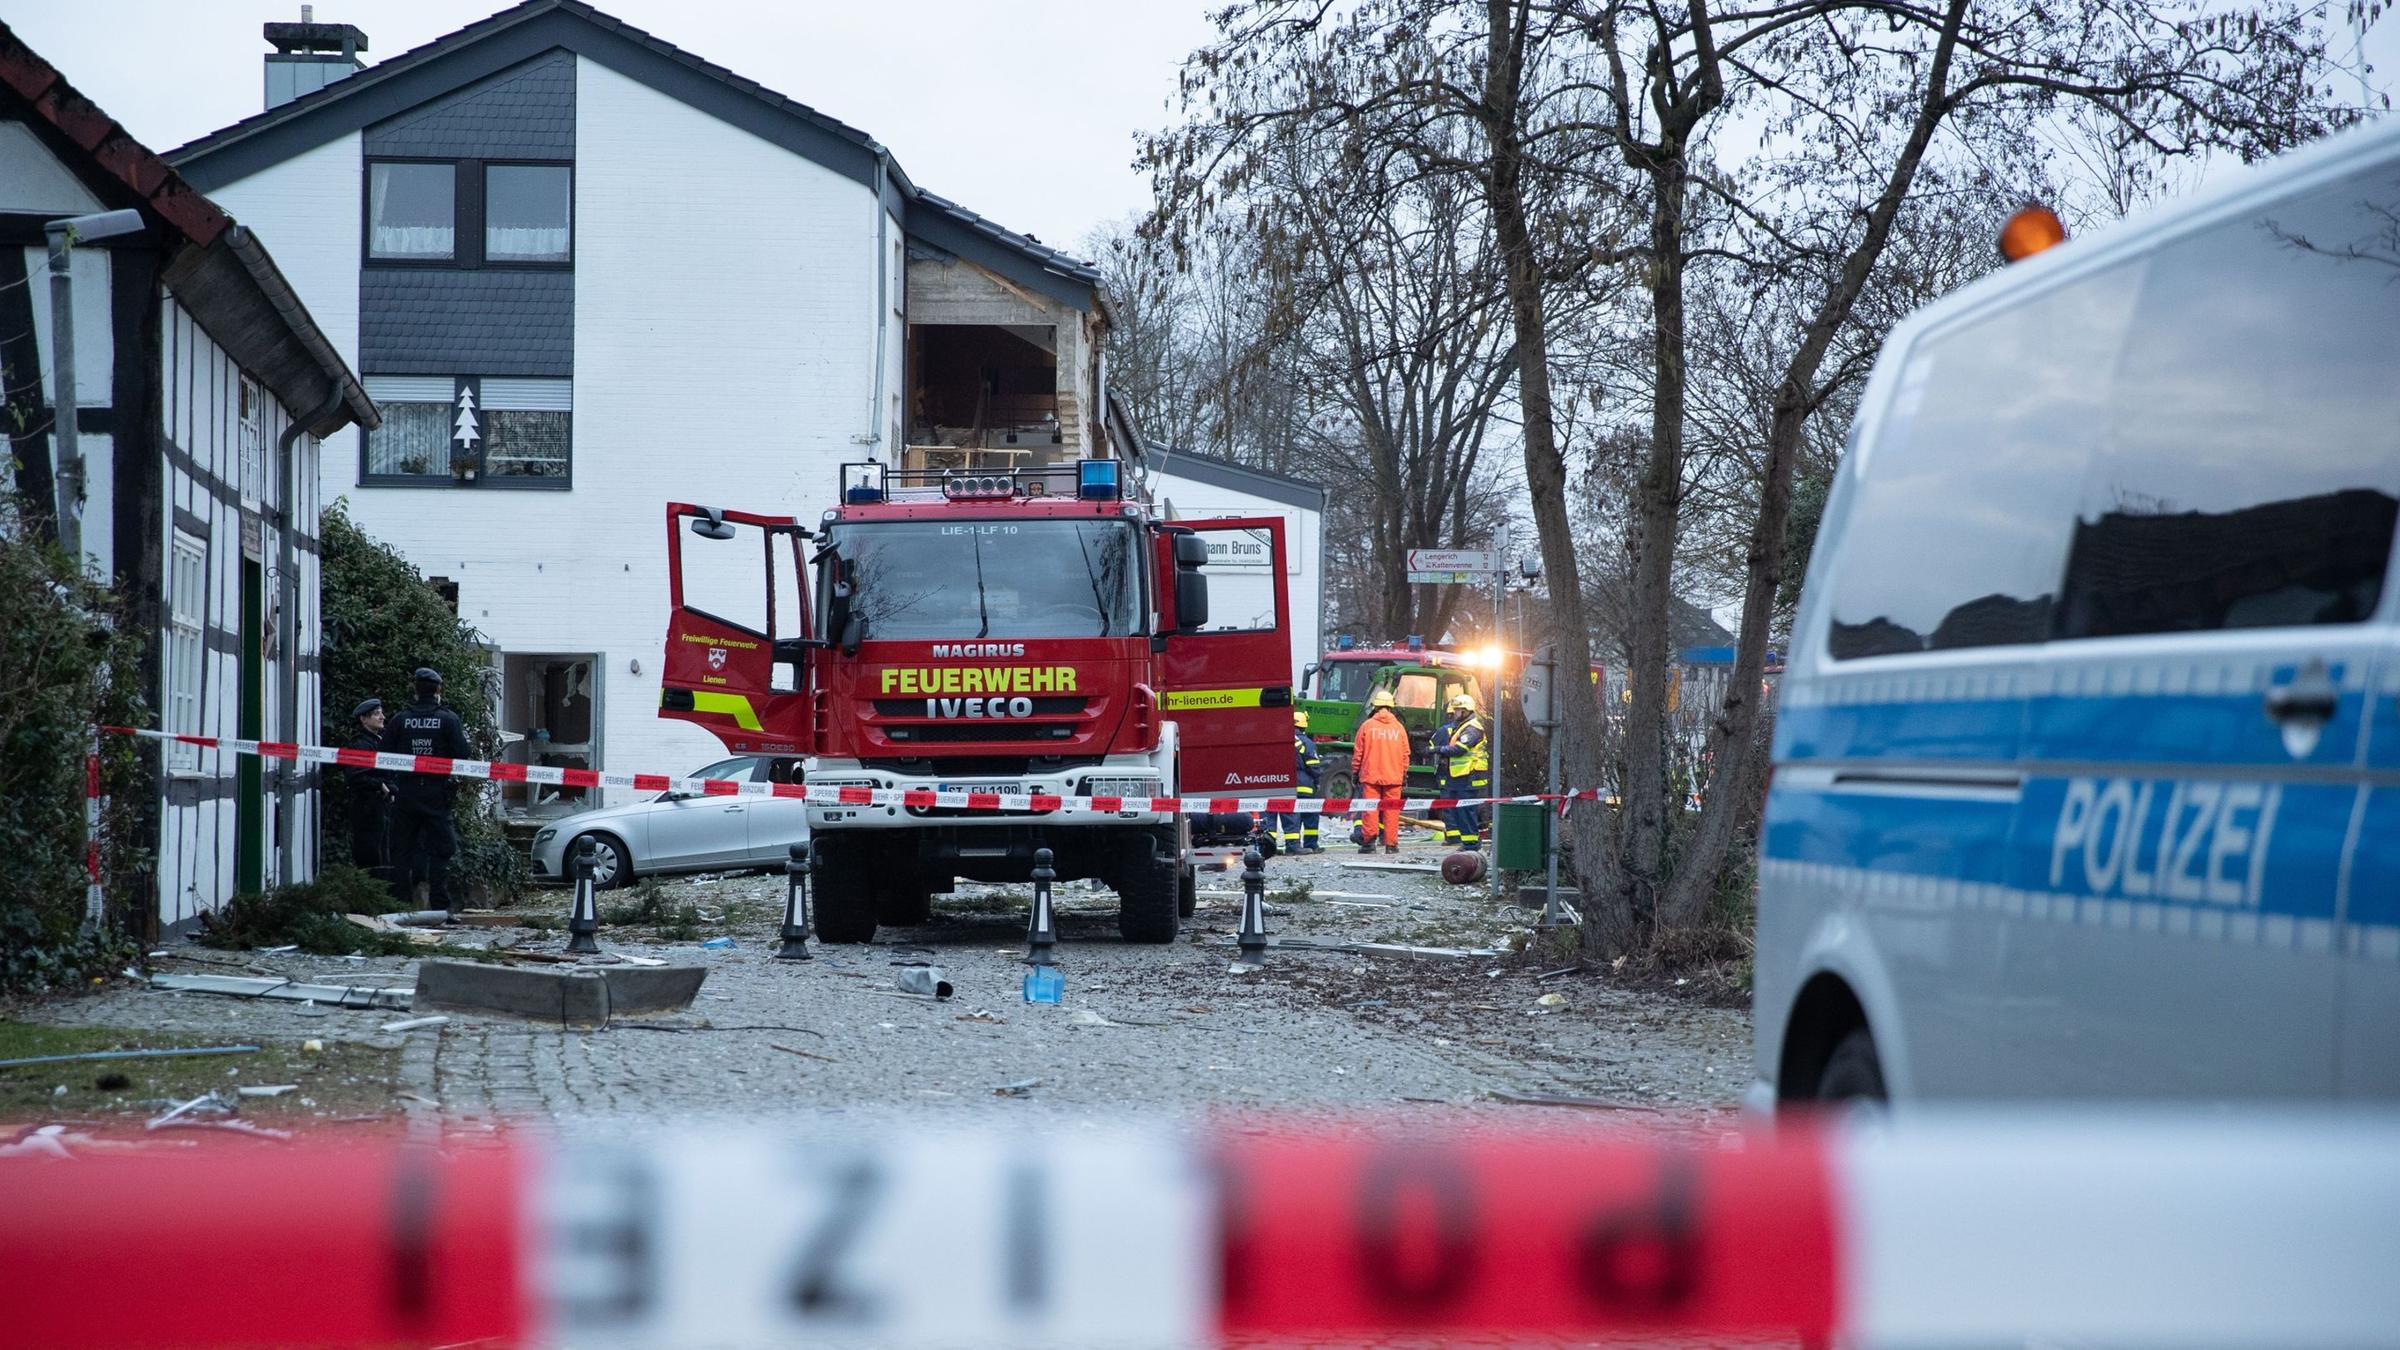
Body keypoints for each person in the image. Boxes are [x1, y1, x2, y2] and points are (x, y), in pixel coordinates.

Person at [380, 667, 475, 915]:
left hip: (406, 794)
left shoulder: (400, 719)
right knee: (443, 849)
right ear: (438, 690)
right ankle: (440, 907)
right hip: (436, 794)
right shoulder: (448, 719)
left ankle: (399, 907)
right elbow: (463, 754)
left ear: (415, 690)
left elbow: (384, 753)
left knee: (402, 852)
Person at [1350, 688, 1411, 855]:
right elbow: (1406, 755)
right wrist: (1403, 774)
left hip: (1371, 775)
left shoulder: (1367, 726)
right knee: (1391, 811)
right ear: (1391, 707)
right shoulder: (1399, 728)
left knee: (1370, 809)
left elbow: (1358, 753)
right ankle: (1391, 845)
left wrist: (1355, 773)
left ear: (1375, 707)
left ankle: (1369, 843)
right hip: (1394, 776)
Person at [343, 698, 394, 887]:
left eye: (381, 713)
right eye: (376, 714)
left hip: (380, 806)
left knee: (382, 852)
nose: (382, 717)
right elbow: (356, 776)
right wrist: (379, 785)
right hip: (367, 808)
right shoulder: (361, 744)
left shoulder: (378, 741)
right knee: (371, 855)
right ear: (364, 719)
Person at [1434, 691, 1491, 850]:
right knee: (1461, 811)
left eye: (1457, 710)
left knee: (1466, 811)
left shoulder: (1472, 728)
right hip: (1460, 776)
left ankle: (1471, 844)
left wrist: (1437, 749)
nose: (1454, 713)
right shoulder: (1463, 727)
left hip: (1470, 776)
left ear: (1465, 711)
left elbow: (1460, 749)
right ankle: (1468, 843)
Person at [1276, 709, 1323, 854]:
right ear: (1304, 725)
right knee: (1310, 815)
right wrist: (1318, 778)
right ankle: (1311, 845)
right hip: (1305, 785)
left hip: (1286, 783)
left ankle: (1292, 845)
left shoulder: (1281, 740)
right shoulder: (1307, 743)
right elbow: (1313, 765)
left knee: (1291, 816)